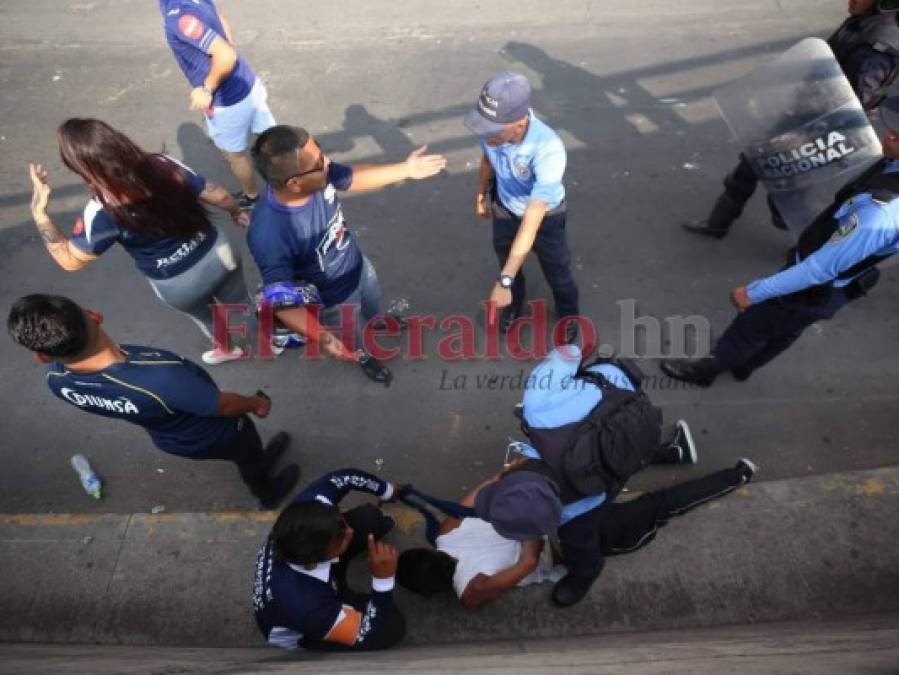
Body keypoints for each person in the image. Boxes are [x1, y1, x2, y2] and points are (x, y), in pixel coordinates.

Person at [661, 95, 899, 387]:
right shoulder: (892, 168)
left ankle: (705, 372)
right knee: (788, 329)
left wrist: (755, 292)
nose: (888, 134)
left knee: (752, 326)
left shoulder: (879, 215)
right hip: (837, 285)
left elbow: (818, 270)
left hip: (815, 285)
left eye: (898, 135)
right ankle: (747, 365)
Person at [7, 294, 298, 509]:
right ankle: (266, 492)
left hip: (171, 435)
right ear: (95, 315)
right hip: (216, 431)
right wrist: (255, 404)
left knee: (249, 454)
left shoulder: (56, 381)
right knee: (246, 451)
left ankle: (259, 463)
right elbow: (223, 406)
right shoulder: (160, 380)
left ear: (43, 356)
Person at [29, 118, 256, 365]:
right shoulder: (161, 163)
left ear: (78, 166)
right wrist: (235, 212)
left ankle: (229, 350)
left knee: (208, 317)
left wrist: (40, 214)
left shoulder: (101, 210)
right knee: (242, 301)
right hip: (219, 252)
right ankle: (269, 341)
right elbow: (220, 195)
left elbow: (70, 261)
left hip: (178, 283)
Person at [396, 459, 758, 610]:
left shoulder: (464, 576)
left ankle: (724, 470)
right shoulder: (453, 547)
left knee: (649, 503)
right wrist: (519, 478)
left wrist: (526, 503)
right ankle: (701, 463)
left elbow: (524, 561)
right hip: (557, 523)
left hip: (560, 530)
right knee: (624, 489)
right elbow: (493, 489)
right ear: (427, 553)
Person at [247, 125, 446, 385]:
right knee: (350, 336)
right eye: (319, 162)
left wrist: (406, 170)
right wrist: (326, 338)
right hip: (334, 300)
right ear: (294, 183)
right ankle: (363, 356)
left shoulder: (318, 174)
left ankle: (378, 322)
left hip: (359, 267)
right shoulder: (269, 234)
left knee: (373, 301)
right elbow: (283, 305)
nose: (327, 163)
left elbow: (350, 177)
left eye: (322, 153)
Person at [683, 0, 899, 239]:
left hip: (821, 124)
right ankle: (722, 222)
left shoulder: (877, 43)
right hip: (805, 112)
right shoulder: (863, 22)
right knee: (756, 163)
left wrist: (812, 125)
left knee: (776, 171)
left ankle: (804, 237)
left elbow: (857, 97)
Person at [464, 71, 580, 343]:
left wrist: (502, 281)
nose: (485, 135)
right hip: (505, 208)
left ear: (519, 123)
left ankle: (568, 315)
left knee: (558, 271)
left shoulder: (548, 148)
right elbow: (487, 160)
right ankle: (515, 302)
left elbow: (533, 218)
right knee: (507, 259)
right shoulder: (493, 131)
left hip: (545, 216)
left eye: (491, 131)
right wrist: (481, 194)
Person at [253, 468, 405, 651]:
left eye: (341, 521)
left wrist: (387, 490)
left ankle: (345, 592)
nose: (349, 531)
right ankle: (344, 602)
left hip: (310, 584)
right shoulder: (306, 609)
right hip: (308, 629)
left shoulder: (307, 509)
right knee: (392, 626)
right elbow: (367, 634)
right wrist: (383, 580)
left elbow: (342, 477)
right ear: (313, 562)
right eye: (341, 539)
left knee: (368, 519)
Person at [159, 0, 276, 208]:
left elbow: (226, 55)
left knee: (235, 156)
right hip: (247, 81)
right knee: (270, 138)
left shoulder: (178, 16)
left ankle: (252, 197)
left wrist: (206, 88)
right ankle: (291, 181)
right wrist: (226, 47)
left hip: (227, 102)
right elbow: (220, 19)